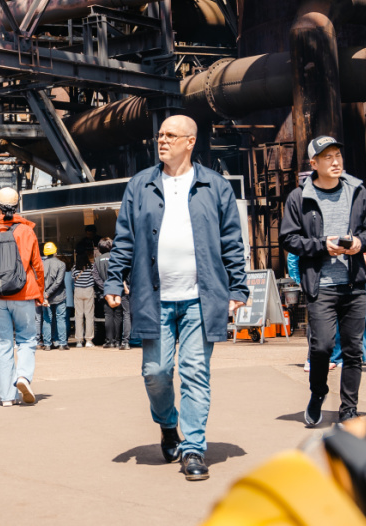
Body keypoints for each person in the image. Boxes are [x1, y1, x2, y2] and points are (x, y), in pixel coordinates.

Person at [104, 115, 249, 481]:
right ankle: (169, 426)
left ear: (190, 141)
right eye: (160, 134)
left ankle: (193, 447)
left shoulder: (215, 186)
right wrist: (111, 282)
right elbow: (125, 239)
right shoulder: (141, 185)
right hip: (154, 299)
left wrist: (238, 287)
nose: (162, 140)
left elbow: (232, 242)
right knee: (156, 372)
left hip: (202, 298)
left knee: (195, 372)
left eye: (170, 135)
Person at [280, 135, 366, 427]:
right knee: (321, 347)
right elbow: (289, 238)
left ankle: (349, 408)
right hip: (321, 285)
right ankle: (317, 393)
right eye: (327, 157)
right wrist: (323, 245)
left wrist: (360, 243)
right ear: (314, 164)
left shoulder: (357, 191)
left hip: (354, 284)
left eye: (338, 155)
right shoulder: (299, 197)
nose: (335, 161)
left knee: (353, 350)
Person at [0, 187, 45, 407]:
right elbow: (37, 266)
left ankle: (6, 397)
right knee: (27, 339)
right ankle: (23, 376)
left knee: (2, 344)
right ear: (17, 205)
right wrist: (40, 293)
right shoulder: (27, 231)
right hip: (24, 294)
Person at [94, 238, 131, 349]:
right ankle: (121, 341)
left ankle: (110, 341)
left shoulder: (97, 260)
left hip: (106, 292)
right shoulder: (117, 258)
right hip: (121, 290)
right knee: (122, 315)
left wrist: (106, 288)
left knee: (108, 315)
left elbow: (96, 277)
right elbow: (125, 273)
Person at [40, 242, 68, 350]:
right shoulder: (61, 264)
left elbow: (39, 281)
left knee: (47, 319)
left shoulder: (41, 264)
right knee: (61, 318)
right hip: (59, 295)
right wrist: (48, 293)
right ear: (55, 251)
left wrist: (44, 294)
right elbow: (58, 282)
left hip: (46, 297)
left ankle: (47, 344)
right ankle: (62, 343)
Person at [72, 260, 96, 347]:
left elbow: (73, 278)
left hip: (78, 290)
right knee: (89, 315)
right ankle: (88, 340)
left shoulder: (75, 267)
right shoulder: (91, 266)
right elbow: (94, 277)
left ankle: (79, 340)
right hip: (88, 289)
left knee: (78, 316)